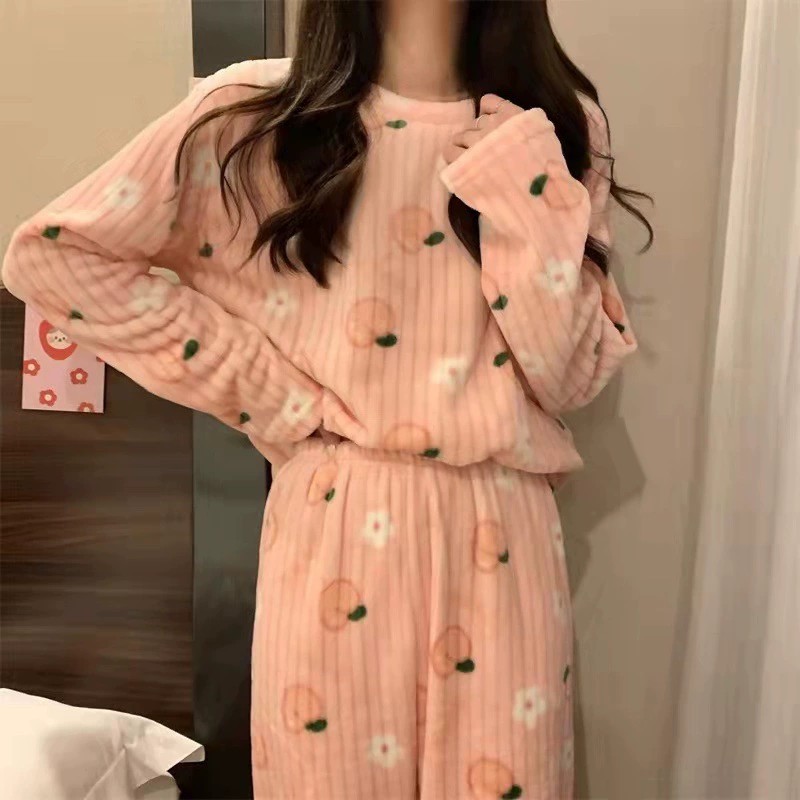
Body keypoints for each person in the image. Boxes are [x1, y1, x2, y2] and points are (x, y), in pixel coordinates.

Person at [2, 0, 652, 797]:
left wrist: (523, 194)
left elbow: (568, 377)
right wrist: (276, 398)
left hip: (505, 533)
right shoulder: (251, 118)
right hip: (335, 518)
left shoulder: (551, 125)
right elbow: (55, 258)